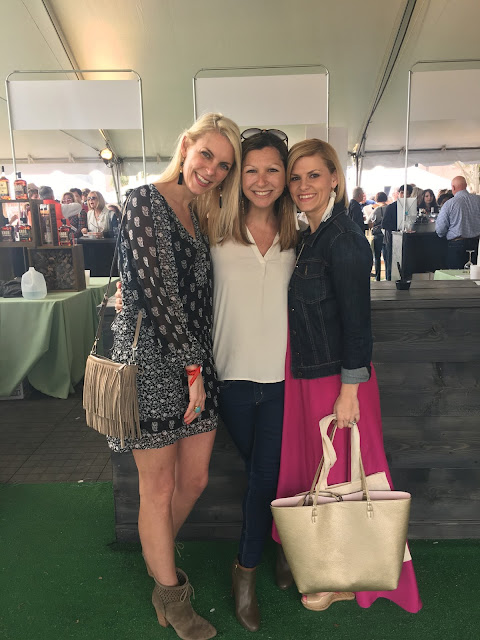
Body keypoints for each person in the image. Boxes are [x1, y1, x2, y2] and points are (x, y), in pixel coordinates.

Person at [273, 138, 422, 615]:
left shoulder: (345, 239)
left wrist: (349, 391)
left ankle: (358, 579)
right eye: (296, 178)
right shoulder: (311, 236)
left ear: (335, 178)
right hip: (308, 375)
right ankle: (329, 566)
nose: (303, 186)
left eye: (314, 175)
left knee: (350, 474)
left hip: (336, 380)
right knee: (324, 474)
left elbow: (359, 326)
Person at [108, 112, 242, 640]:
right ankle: (171, 595)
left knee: (194, 480)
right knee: (158, 486)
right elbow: (156, 294)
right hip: (154, 364)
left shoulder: (200, 213)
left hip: (195, 363)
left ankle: (155, 557)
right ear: (185, 146)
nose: (212, 170)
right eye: (206, 154)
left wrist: (199, 366)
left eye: (224, 165)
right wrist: (192, 369)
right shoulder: (144, 200)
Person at [212, 130, 298, 632]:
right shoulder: (214, 230)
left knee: (265, 474)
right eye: (251, 170)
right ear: (238, 176)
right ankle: (281, 547)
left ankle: (245, 573)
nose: (261, 180)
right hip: (231, 378)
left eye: (272, 170)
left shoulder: (298, 235)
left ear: (285, 176)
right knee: (262, 473)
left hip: (284, 378)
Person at [435, 175, 480, 268]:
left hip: (457, 245)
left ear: (453, 187)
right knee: (475, 274)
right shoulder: (478, 200)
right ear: (466, 185)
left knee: (456, 275)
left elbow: (440, 230)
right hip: (477, 243)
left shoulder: (449, 204)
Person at [381, 184, 413, 280]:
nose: (404, 195)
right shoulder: (391, 207)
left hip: (407, 240)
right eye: (402, 193)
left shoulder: (411, 207)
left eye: (407, 193)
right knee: (391, 265)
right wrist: (398, 228)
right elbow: (384, 224)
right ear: (398, 194)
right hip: (392, 240)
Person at [367, 191, 388, 281]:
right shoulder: (389, 208)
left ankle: (378, 277)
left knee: (377, 257)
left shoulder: (377, 209)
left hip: (378, 235)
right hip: (387, 235)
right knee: (387, 257)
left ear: (377, 199)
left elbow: (369, 221)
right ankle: (388, 276)